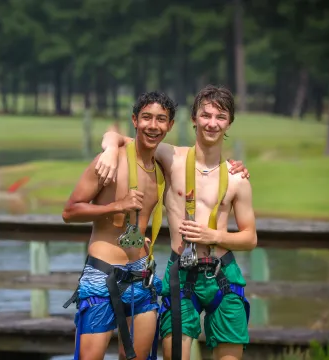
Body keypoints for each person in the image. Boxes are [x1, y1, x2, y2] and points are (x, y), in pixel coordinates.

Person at [96, 85, 256, 360]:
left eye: (220, 117)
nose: (212, 123)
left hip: (223, 276)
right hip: (180, 274)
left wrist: (212, 236)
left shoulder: (237, 178)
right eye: (205, 115)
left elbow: (250, 238)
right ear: (193, 118)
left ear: (229, 122)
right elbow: (117, 136)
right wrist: (110, 149)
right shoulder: (171, 157)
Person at [62, 91, 176, 360]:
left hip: (141, 276)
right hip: (103, 276)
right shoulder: (110, 162)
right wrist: (116, 206)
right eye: (146, 117)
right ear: (135, 120)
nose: (153, 125)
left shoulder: (161, 167)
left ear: (170, 125)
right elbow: (69, 211)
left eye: (161, 119)